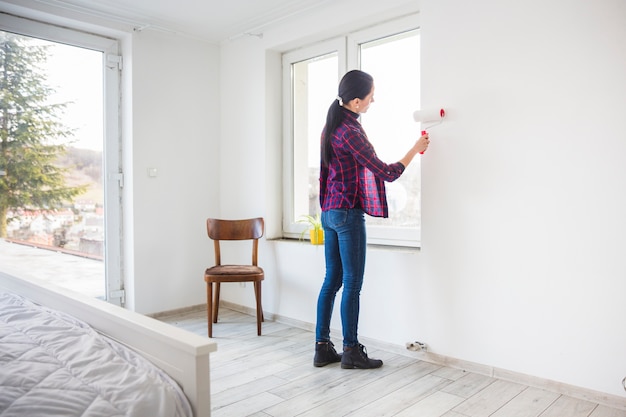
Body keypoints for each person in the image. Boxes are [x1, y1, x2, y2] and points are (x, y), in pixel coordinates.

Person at [313, 69, 430, 369]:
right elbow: (387, 172)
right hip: (347, 214)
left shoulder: (331, 127)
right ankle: (351, 350)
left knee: (332, 281)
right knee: (352, 283)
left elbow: (327, 177)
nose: (373, 100)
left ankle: (322, 347)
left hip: (329, 213)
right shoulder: (350, 132)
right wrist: (414, 150)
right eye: (369, 97)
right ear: (354, 102)